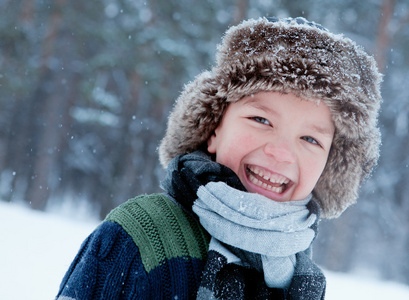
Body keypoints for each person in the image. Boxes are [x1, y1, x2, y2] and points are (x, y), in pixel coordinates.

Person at [56, 16, 382, 300]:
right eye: (261, 120)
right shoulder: (142, 235)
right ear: (213, 129)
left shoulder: (303, 279)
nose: (281, 152)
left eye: (310, 139)